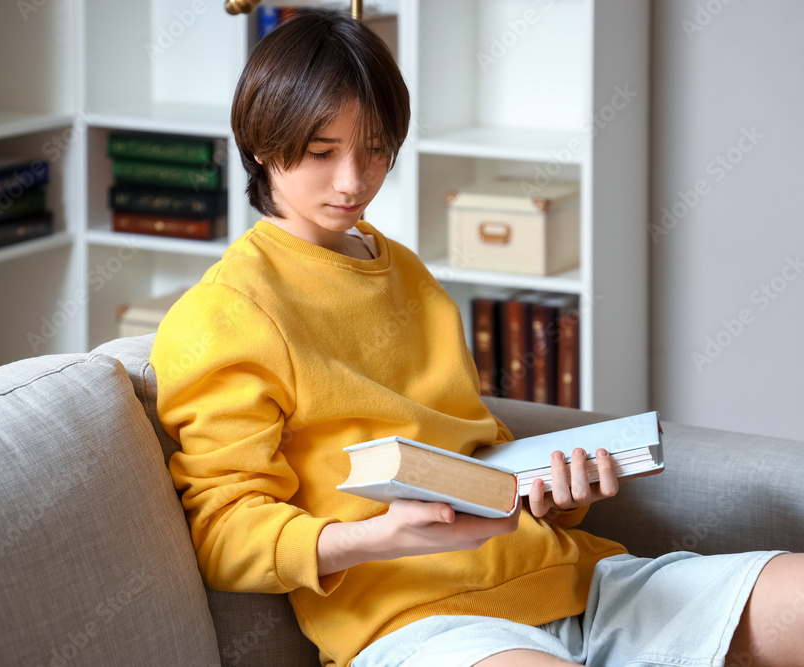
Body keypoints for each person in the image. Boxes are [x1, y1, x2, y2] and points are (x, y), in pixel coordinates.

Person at [149, 8, 803, 667]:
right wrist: (375, 537)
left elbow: (478, 451)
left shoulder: (403, 268)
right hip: (423, 627)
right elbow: (223, 532)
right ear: (263, 142)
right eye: (322, 152)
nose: (354, 180)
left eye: (375, 150)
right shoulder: (226, 313)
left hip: (576, 585)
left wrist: (554, 494)